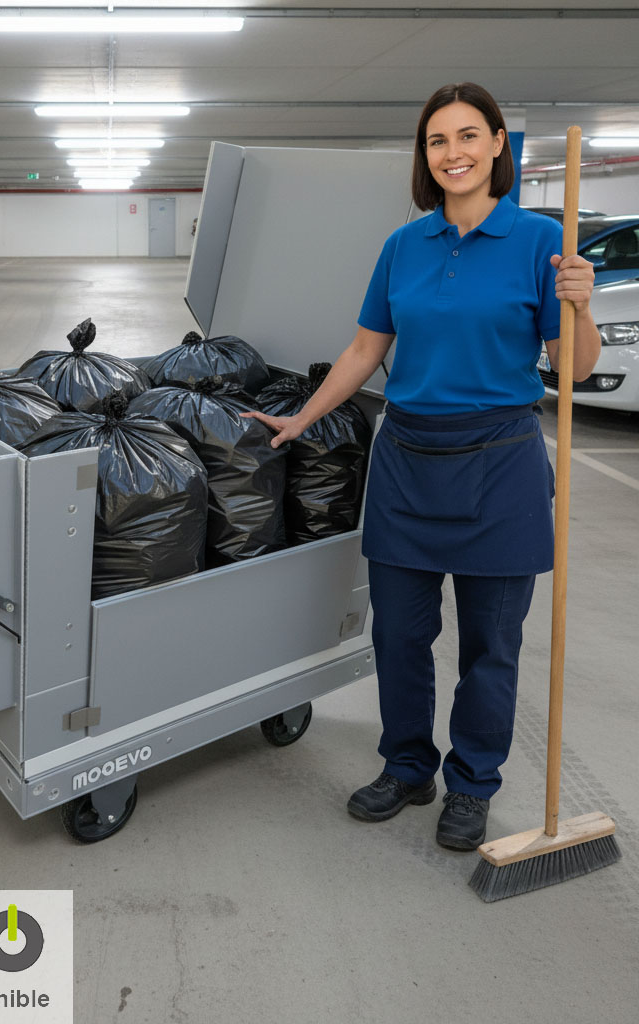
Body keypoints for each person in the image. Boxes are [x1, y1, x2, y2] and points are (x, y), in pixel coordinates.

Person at [244, 82, 599, 850]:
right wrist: (303, 417)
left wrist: (580, 306)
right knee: (398, 636)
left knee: (489, 646)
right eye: (439, 141)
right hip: (407, 458)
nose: (454, 153)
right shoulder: (403, 246)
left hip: (500, 464)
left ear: (499, 143)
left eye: (469, 136)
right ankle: (408, 766)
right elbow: (366, 348)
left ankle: (472, 784)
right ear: (425, 155)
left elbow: (570, 369)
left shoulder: (541, 242)